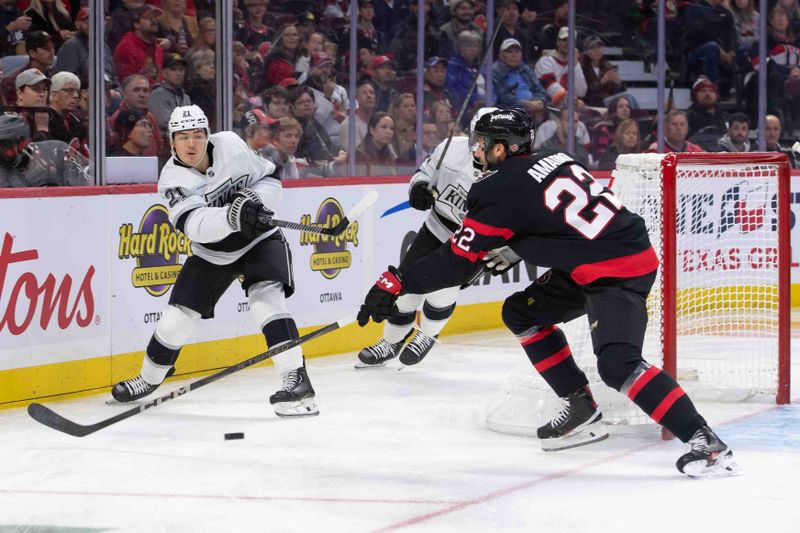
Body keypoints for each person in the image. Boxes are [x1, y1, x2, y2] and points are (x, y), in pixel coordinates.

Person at [356, 108, 739, 477]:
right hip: (600, 256)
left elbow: (457, 261)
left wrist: (399, 281)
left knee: (617, 363)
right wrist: (517, 246)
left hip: (617, 269)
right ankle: (580, 406)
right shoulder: (554, 157)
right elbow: (555, 221)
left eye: (483, 143)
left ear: (501, 148)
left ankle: (706, 441)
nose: (477, 151)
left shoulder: (498, 188)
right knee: (522, 312)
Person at [111, 105, 318, 418]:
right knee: (175, 322)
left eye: (197, 135)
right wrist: (233, 215)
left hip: (259, 241)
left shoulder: (231, 146)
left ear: (207, 136)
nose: (191, 144)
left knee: (267, 301)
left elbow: (271, 179)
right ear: (172, 142)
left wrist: (256, 203)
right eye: (183, 137)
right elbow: (194, 226)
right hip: (212, 252)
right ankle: (149, 379)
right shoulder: (173, 179)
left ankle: (297, 380)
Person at [356, 107, 498, 368]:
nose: (480, 145)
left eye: (487, 140)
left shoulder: (507, 173)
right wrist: (419, 188)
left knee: (441, 295)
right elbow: (423, 173)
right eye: (477, 137)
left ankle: (428, 335)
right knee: (405, 291)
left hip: (471, 243)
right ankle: (391, 342)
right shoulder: (451, 148)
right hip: (435, 229)